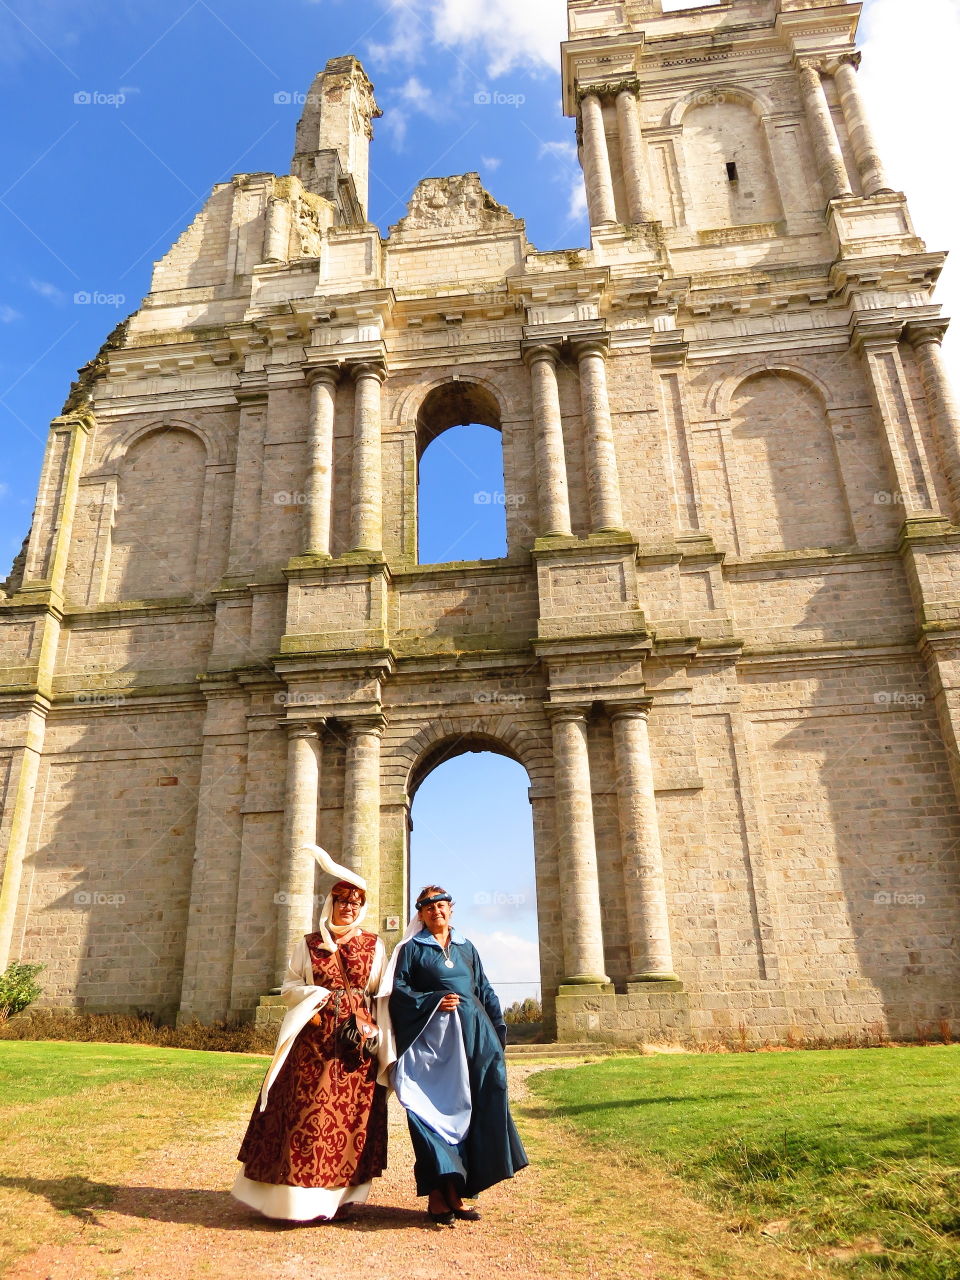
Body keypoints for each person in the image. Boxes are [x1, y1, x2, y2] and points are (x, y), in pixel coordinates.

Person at [231, 846, 388, 1222]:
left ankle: (339, 1201)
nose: (347, 907)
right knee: (305, 1114)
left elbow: (381, 992)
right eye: (341, 901)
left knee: (350, 1120)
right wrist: (313, 998)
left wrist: (379, 1037)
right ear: (329, 904)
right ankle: (291, 1200)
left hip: (355, 1048)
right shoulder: (307, 944)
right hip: (313, 1043)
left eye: (355, 902)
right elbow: (289, 985)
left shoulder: (374, 945)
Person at [378, 884, 529, 1225]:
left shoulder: (466, 948)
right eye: (429, 909)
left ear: (451, 909)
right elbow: (397, 993)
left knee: (476, 1106)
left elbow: (484, 989)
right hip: (430, 1048)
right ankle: (436, 1195)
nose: (437, 913)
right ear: (421, 914)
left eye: (442, 906)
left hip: (473, 1038)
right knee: (429, 1113)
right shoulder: (411, 949)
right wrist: (433, 1001)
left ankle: (458, 1193)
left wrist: (496, 1035)